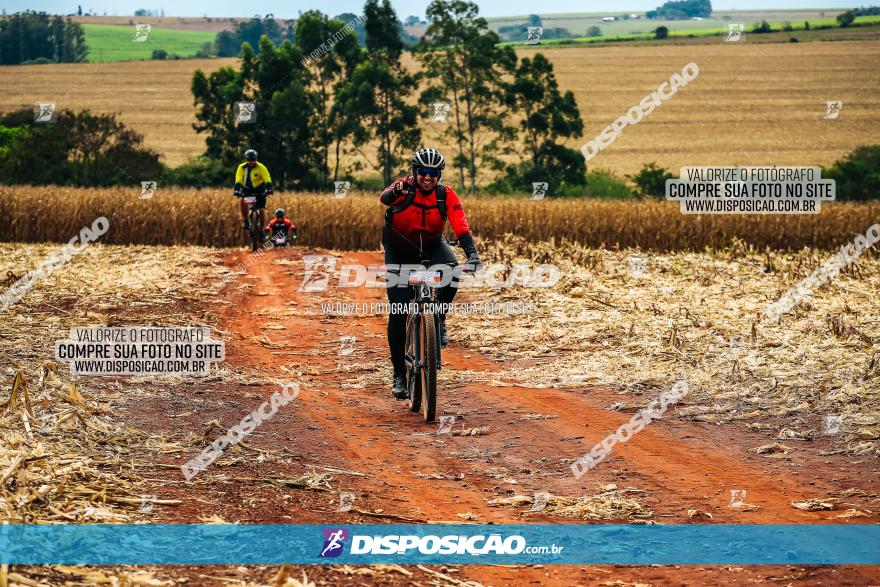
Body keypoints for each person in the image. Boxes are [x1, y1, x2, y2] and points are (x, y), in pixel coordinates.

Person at [380, 147, 481, 400]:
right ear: (415, 172)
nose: (428, 177)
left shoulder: (444, 195)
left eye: (433, 172)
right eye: (423, 171)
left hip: (433, 246)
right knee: (399, 311)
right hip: (400, 251)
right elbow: (385, 198)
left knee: (452, 272)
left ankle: (439, 318)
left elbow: (460, 224)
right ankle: (399, 375)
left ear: (439, 175)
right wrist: (397, 191)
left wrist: (472, 254)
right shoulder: (404, 186)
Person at [233, 149, 273, 237]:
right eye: (249, 160)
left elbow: (267, 178)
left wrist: (269, 189)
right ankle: (245, 220)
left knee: (261, 209)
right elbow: (238, 179)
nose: (251, 162)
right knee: (242, 200)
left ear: (256, 159)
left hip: (259, 189)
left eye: (253, 160)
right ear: (246, 159)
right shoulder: (242, 167)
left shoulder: (261, 167)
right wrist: (236, 190)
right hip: (247, 189)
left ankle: (262, 230)